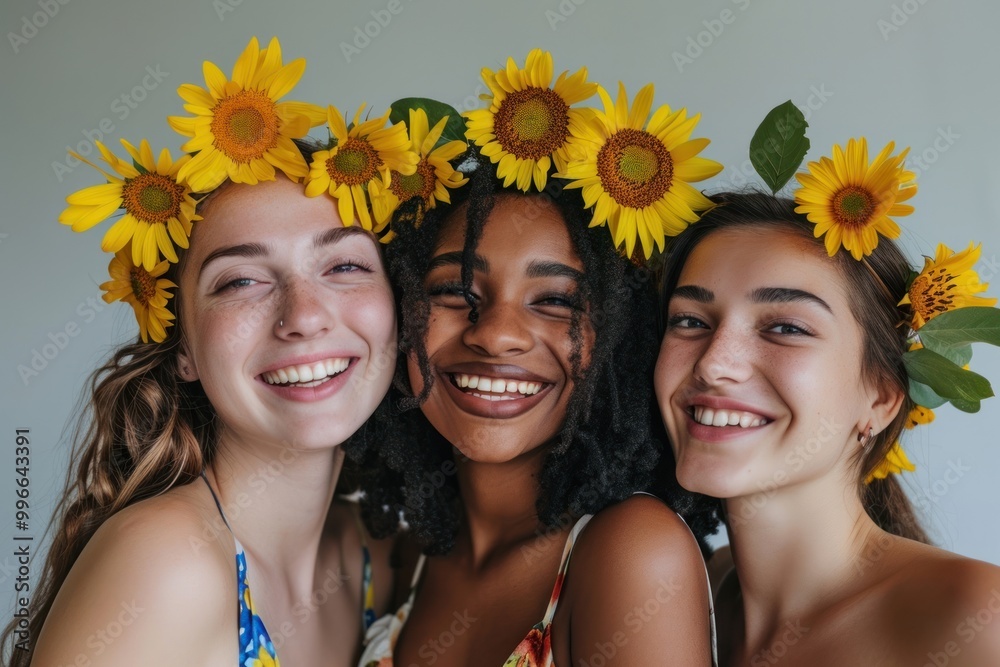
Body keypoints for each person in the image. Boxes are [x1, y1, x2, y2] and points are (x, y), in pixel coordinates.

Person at [4, 37, 402, 667]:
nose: (302, 316)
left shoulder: (373, 556)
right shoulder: (165, 564)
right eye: (241, 281)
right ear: (182, 347)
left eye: (345, 265)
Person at [353, 50, 721, 667]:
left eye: (555, 300)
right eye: (454, 291)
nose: (497, 335)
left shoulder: (631, 551)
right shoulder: (408, 554)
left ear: (621, 339)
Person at [655, 169, 1000, 663]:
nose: (713, 363)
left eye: (786, 327)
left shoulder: (974, 616)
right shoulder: (680, 595)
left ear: (881, 397)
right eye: (689, 321)